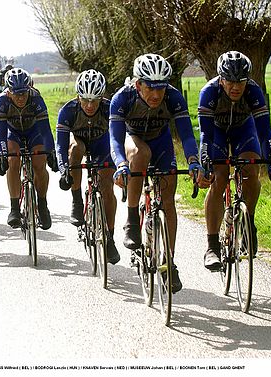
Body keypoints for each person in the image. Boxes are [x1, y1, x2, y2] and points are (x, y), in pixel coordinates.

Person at [110, 53, 204, 293]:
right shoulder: (122, 98)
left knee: (168, 200)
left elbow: (186, 134)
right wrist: (121, 164)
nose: (155, 95)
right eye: (150, 88)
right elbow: (115, 139)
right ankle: (132, 219)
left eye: (160, 89)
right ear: (138, 84)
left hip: (161, 143)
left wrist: (193, 161)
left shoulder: (173, 97)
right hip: (134, 140)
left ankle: (168, 262)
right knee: (140, 155)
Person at [198, 50, 271, 271]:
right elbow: (206, 137)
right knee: (219, 178)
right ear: (221, 79)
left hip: (243, 131)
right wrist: (205, 165)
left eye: (241, 81)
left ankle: (249, 224)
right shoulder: (209, 93)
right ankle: (212, 247)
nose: (236, 87)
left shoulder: (254, 92)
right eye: (230, 81)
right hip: (216, 133)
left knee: (251, 169)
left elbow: (265, 133)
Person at [56, 69, 120, 264]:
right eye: (85, 100)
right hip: (80, 143)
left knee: (107, 187)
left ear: (102, 97)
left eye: (95, 100)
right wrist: (63, 169)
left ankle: (109, 236)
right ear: (78, 96)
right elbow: (60, 145)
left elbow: (118, 138)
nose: (90, 105)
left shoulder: (110, 108)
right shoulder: (68, 111)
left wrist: (120, 165)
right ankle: (77, 202)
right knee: (75, 148)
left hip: (102, 144)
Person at [0, 67, 57, 230]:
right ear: (8, 92)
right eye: (16, 93)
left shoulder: (36, 99)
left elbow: (45, 130)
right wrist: (2, 156)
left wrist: (50, 152)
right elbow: (0, 134)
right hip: (12, 133)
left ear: (29, 89)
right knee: (13, 160)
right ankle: (15, 208)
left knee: (39, 164)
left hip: (34, 132)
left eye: (24, 92)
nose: (21, 97)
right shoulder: (1, 102)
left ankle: (42, 205)